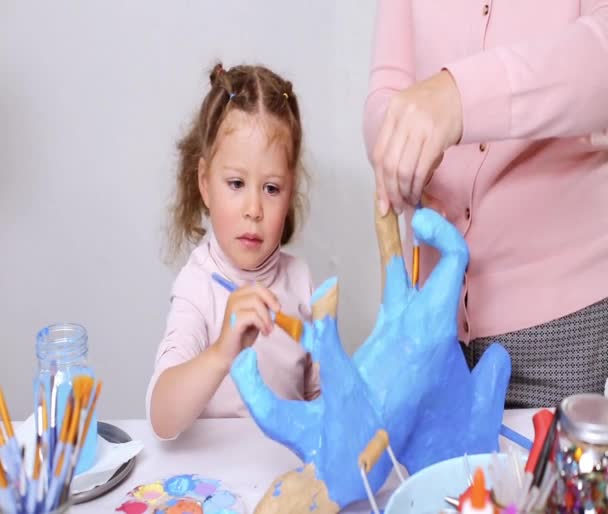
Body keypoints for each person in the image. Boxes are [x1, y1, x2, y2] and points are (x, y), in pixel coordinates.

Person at [363, 0, 608, 408]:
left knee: (553, 472)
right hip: (429, 324)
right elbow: (384, 94)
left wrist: (458, 97)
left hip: (561, 332)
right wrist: (400, 143)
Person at [147, 62, 319, 439]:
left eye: (271, 188)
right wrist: (222, 351)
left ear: (290, 193)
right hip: (212, 488)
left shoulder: (301, 281)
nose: (254, 209)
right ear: (205, 184)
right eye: (237, 183)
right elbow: (161, 417)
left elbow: (318, 402)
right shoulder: (197, 284)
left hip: (280, 480)